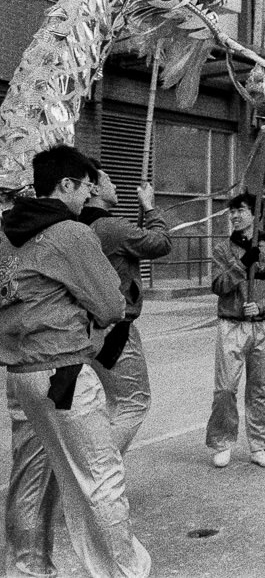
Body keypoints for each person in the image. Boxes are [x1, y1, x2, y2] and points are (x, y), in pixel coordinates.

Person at [0, 145, 150, 577]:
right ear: (65, 184)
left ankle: (27, 568)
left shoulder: (7, 235)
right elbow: (110, 304)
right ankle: (125, 572)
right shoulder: (70, 234)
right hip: (62, 371)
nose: (89, 197)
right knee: (101, 480)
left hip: (21, 376)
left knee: (34, 476)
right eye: (86, 187)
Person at [79, 165, 172, 452]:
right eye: (108, 179)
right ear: (92, 187)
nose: (115, 186)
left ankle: (92, 476)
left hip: (85, 326)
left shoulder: (75, 225)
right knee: (133, 403)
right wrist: (150, 207)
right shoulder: (109, 227)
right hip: (115, 328)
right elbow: (160, 243)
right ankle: (101, 475)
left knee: (108, 404)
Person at [206, 193, 265, 469]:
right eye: (231, 211)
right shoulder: (222, 251)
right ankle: (221, 442)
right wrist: (242, 265)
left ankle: (260, 444)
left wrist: (264, 306)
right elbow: (218, 285)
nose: (234, 216)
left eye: (241, 210)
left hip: (262, 327)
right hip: (231, 324)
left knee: (263, 389)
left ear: (255, 214)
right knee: (225, 388)